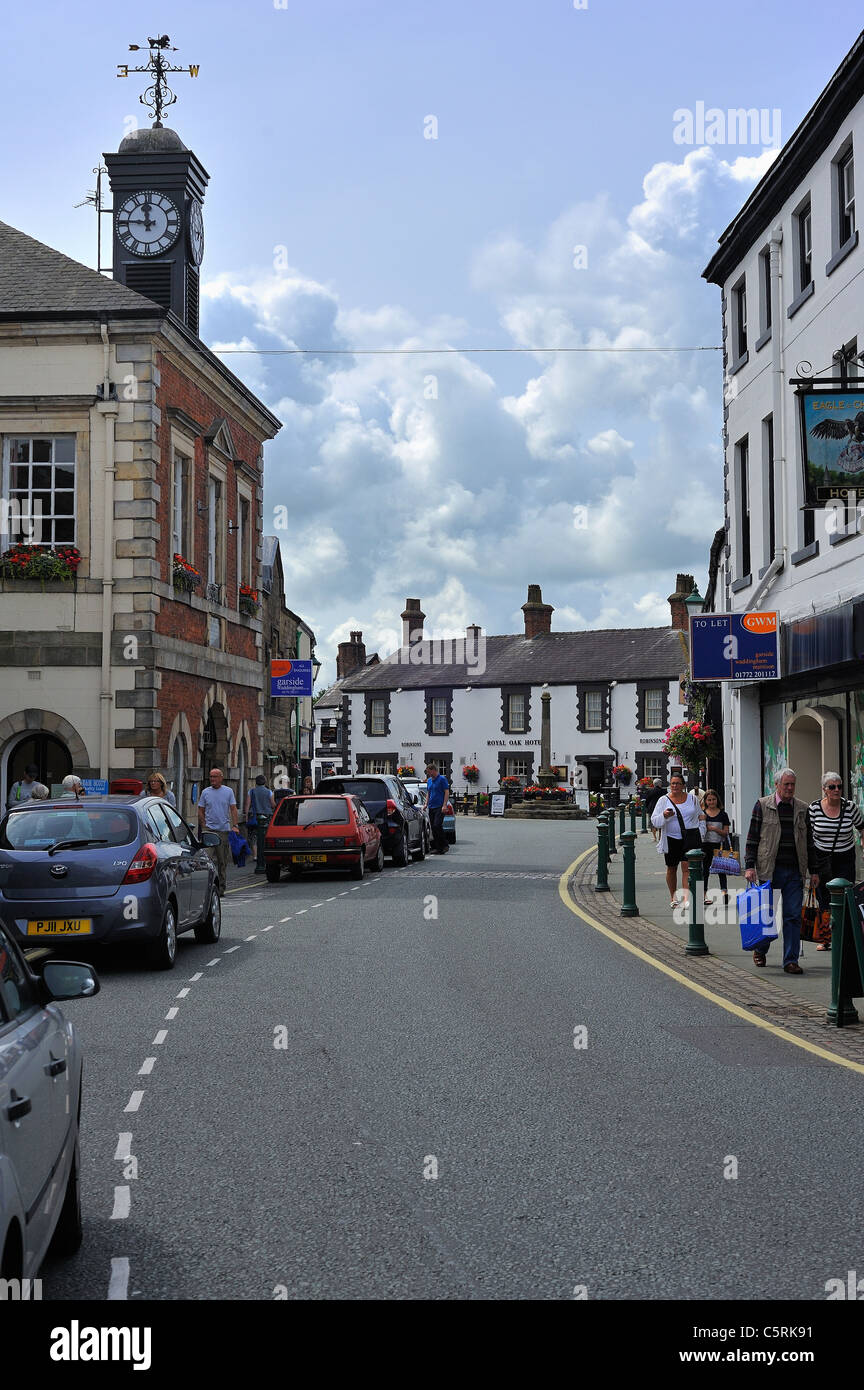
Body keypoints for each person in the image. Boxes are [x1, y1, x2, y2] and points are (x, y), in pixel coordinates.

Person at [744, 768, 814, 974]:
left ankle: (790, 960)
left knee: (793, 916)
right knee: (768, 915)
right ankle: (760, 948)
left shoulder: (802, 808)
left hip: (794, 871)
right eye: (786, 784)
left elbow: (810, 843)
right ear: (777, 785)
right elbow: (752, 838)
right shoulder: (763, 805)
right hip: (769, 870)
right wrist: (749, 866)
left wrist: (815, 871)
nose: (790, 788)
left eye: (793, 784)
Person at [807, 772, 864, 951]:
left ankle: (847, 936)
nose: (837, 790)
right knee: (824, 897)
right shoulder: (814, 808)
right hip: (821, 858)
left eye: (839, 786)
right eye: (832, 787)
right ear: (824, 789)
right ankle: (826, 938)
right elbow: (807, 836)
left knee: (847, 895)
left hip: (845, 858)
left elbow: (862, 827)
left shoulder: (850, 807)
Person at [651, 772, 705, 907]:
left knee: (687, 868)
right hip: (671, 838)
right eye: (672, 783)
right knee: (672, 868)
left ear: (683, 785)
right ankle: (673, 898)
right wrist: (664, 815)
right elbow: (655, 821)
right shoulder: (663, 800)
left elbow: (701, 816)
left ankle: (687, 899)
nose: (674, 786)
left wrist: (701, 831)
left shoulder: (692, 799)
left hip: (691, 837)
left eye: (677, 783)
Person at [197, 768, 238, 896]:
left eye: (215, 777)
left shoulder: (228, 791)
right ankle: (206, 887)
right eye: (210, 777)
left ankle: (221, 888)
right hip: (209, 830)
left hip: (223, 831)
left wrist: (235, 825)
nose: (212, 779)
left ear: (221, 777)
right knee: (205, 860)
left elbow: (233, 809)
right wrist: (204, 825)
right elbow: (200, 809)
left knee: (222, 861)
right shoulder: (205, 792)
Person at [700, 789, 732, 904]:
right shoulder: (702, 814)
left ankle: (724, 893)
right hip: (705, 845)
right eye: (709, 800)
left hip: (720, 845)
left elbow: (726, 832)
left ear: (717, 800)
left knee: (721, 870)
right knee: (705, 870)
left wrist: (714, 829)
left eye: (713, 799)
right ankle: (704, 895)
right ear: (705, 801)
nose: (711, 802)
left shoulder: (723, 814)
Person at [246, 774, 275, 875]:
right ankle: (264, 859)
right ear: (265, 782)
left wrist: (246, 816)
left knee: (254, 837)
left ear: (256, 782)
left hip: (255, 817)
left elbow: (247, 804)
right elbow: (273, 804)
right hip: (267, 817)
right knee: (265, 838)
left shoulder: (252, 791)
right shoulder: (269, 792)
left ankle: (256, 856)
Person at [424, 762, 450, 854]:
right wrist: (426, 804)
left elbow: (446, 792)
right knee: (434, 828)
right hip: (431, 806)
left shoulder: (442, 779)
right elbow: (428, 793)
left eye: (429, 772)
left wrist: (444, 805)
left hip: (440, 806)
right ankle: (439, 847)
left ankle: (444, 845)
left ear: (434, 770)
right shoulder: (429, 780)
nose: (428, 774)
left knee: (437, 825)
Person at [644, 777, 666, 843]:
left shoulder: (650, 791)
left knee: (652, 823)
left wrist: (647, 807)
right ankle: (660, 837)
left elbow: (647, 800)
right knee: (661, 822)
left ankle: (654, 837)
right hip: (661, 808)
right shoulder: (664, 791)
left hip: (651, 808)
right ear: (660, 784)